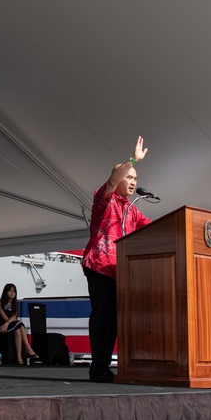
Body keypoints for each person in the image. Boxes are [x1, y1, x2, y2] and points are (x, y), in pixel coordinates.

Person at [81, 136, 151, 382]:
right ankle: (98, 368)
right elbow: (111, 179)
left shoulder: (131, 209)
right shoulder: (105, 198)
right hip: (100, 267)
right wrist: (133, 159)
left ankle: (116, 366)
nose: (133, 182)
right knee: (104, 318)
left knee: (117, 320)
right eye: (129, 177)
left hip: (121, 271)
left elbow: (153, 228)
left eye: (135, 179)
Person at [0, 283, 39, 364]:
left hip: (10, 324)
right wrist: (6, 324)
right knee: (20, 324)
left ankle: (19, 357)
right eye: (10, 291)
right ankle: (28, 348)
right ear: (5, 292)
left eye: (14, 291)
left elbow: (14, 316)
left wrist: (7, 323)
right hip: (2, 325)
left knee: (18, 332)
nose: (12, 293)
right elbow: (4, 317)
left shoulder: (15, 304)